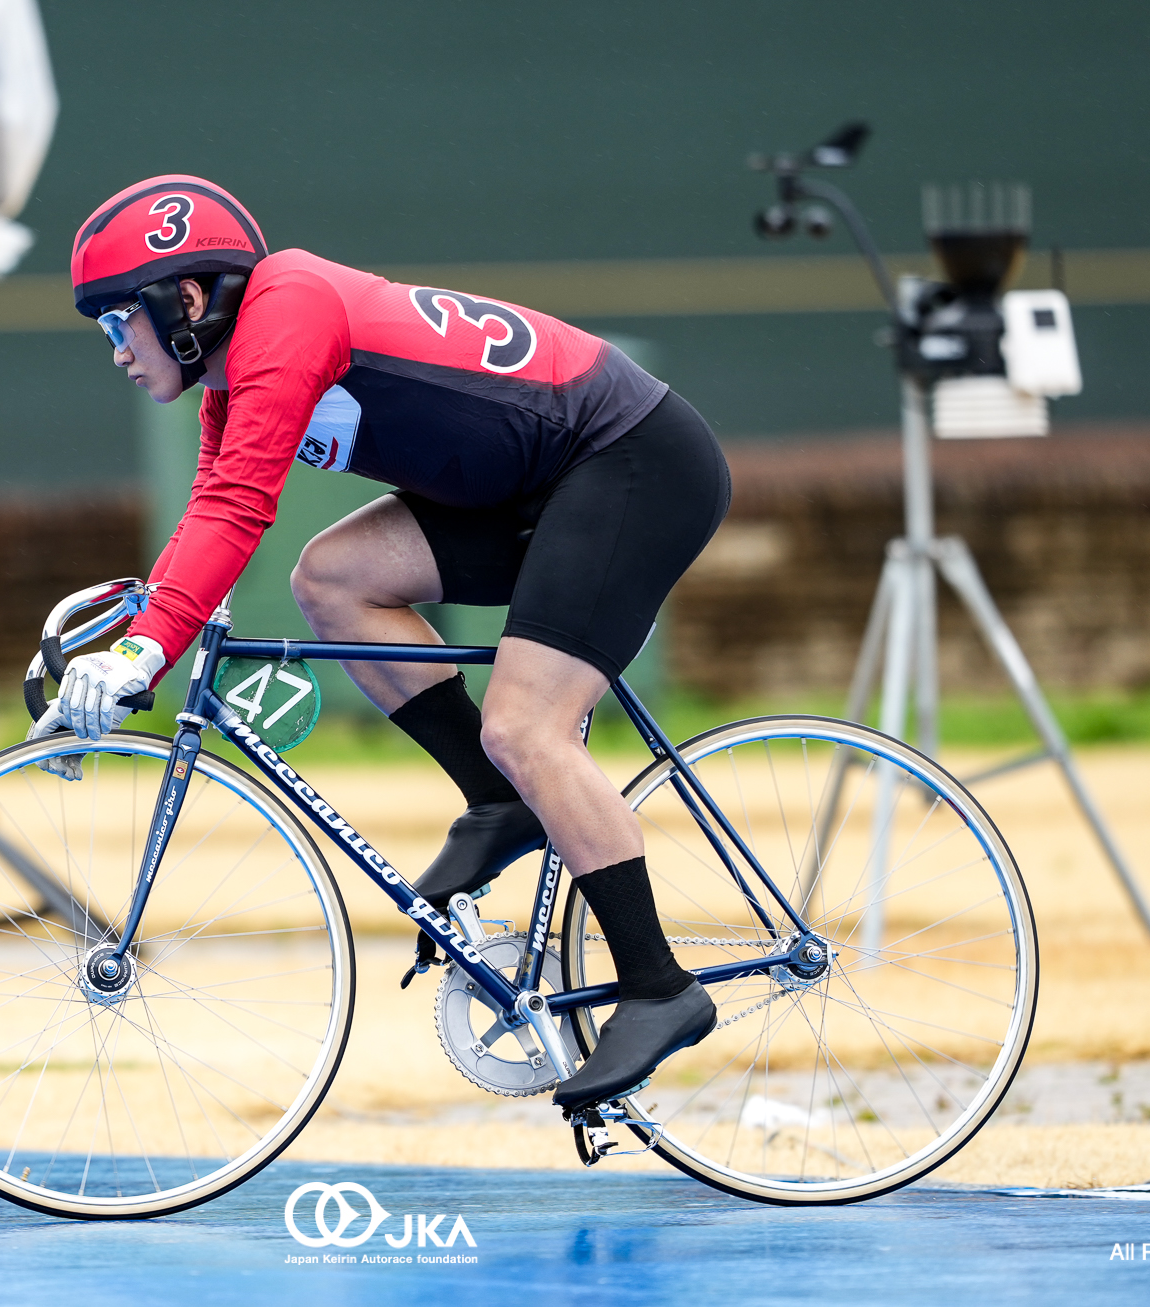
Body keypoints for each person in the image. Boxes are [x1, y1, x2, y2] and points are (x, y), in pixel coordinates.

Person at [42, 175, 732, 1111]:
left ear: (189, 299)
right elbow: (205, 528)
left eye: (119, 319)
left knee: (527, 726)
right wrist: (124, 653)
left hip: (629, 462)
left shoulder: (287, 309)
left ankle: (657, 985)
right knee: (332, 578)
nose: (115, 349)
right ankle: (501, 804)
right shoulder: (234, 370)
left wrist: (140, 657)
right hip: (542, 483)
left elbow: (240, 507)